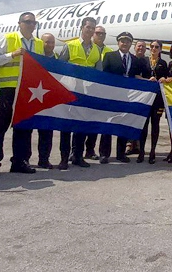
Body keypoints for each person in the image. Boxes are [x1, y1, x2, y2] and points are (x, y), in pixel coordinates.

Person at [0, 12, 42, 181]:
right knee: (0, 128)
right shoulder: (8, 39)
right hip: (9, 89)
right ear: (20, 23)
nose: (31, 25)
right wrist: (12, 55)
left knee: (24, 128)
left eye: (33, 22)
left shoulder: (37, 44)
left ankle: (20, 161)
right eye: (27, 22)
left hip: (28, 91)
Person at [58, 17, 105, 168]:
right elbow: (59, 67)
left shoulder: (97, 49)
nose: (90, 30)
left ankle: (77, 156)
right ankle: (64, 158)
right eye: (88, 27)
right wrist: (73, 68)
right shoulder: (70, 46)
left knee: (82, 125)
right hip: (70, 90)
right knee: (66, 126)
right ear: (82, 28)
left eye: (93, 28)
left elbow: (99, 72)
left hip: (87, 92)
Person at [99, 31, 143, 164]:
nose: (125, 43)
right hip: (111, 96)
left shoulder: (135, 60)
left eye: (128, 41)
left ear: (131, 44)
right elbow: (105, 76)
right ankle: (104, 154)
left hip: (126, 97)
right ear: (118, 43)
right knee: (107, 125)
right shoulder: (109, 56)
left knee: (123, 126)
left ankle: (120, 154)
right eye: (122, 41)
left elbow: (136, 77)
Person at [83, 25, 112, 159]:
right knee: (84, 122)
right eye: (98, 33)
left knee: (97, 123)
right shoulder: (88, 48)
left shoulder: (109, 51)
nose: (100, 36)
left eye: (103, 34)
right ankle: (78, 152)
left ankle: (92, 151)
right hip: (86, 89)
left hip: (102, 91)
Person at [137, 39, 168, 164]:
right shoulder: (143, 61)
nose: (154, 49)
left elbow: (166, 77)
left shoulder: (163, 63)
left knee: (155, 125)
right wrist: (146, 80)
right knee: (143, 126)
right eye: (152, 46)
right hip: (145, 98)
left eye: (156, 47)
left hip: (158, 99)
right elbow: (136, 76)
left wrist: (162, 79)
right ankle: (141, 152)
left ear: (160, 49)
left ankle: (153, 152)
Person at [35, 32, 57, 169]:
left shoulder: (57, 59)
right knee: (27, 129)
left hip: (48, 98)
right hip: (33, 96)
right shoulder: (34, 57)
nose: (49, 45)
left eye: (52, 42)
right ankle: (23, 159)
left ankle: (44, 159)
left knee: (47, 131)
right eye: (47, 42)